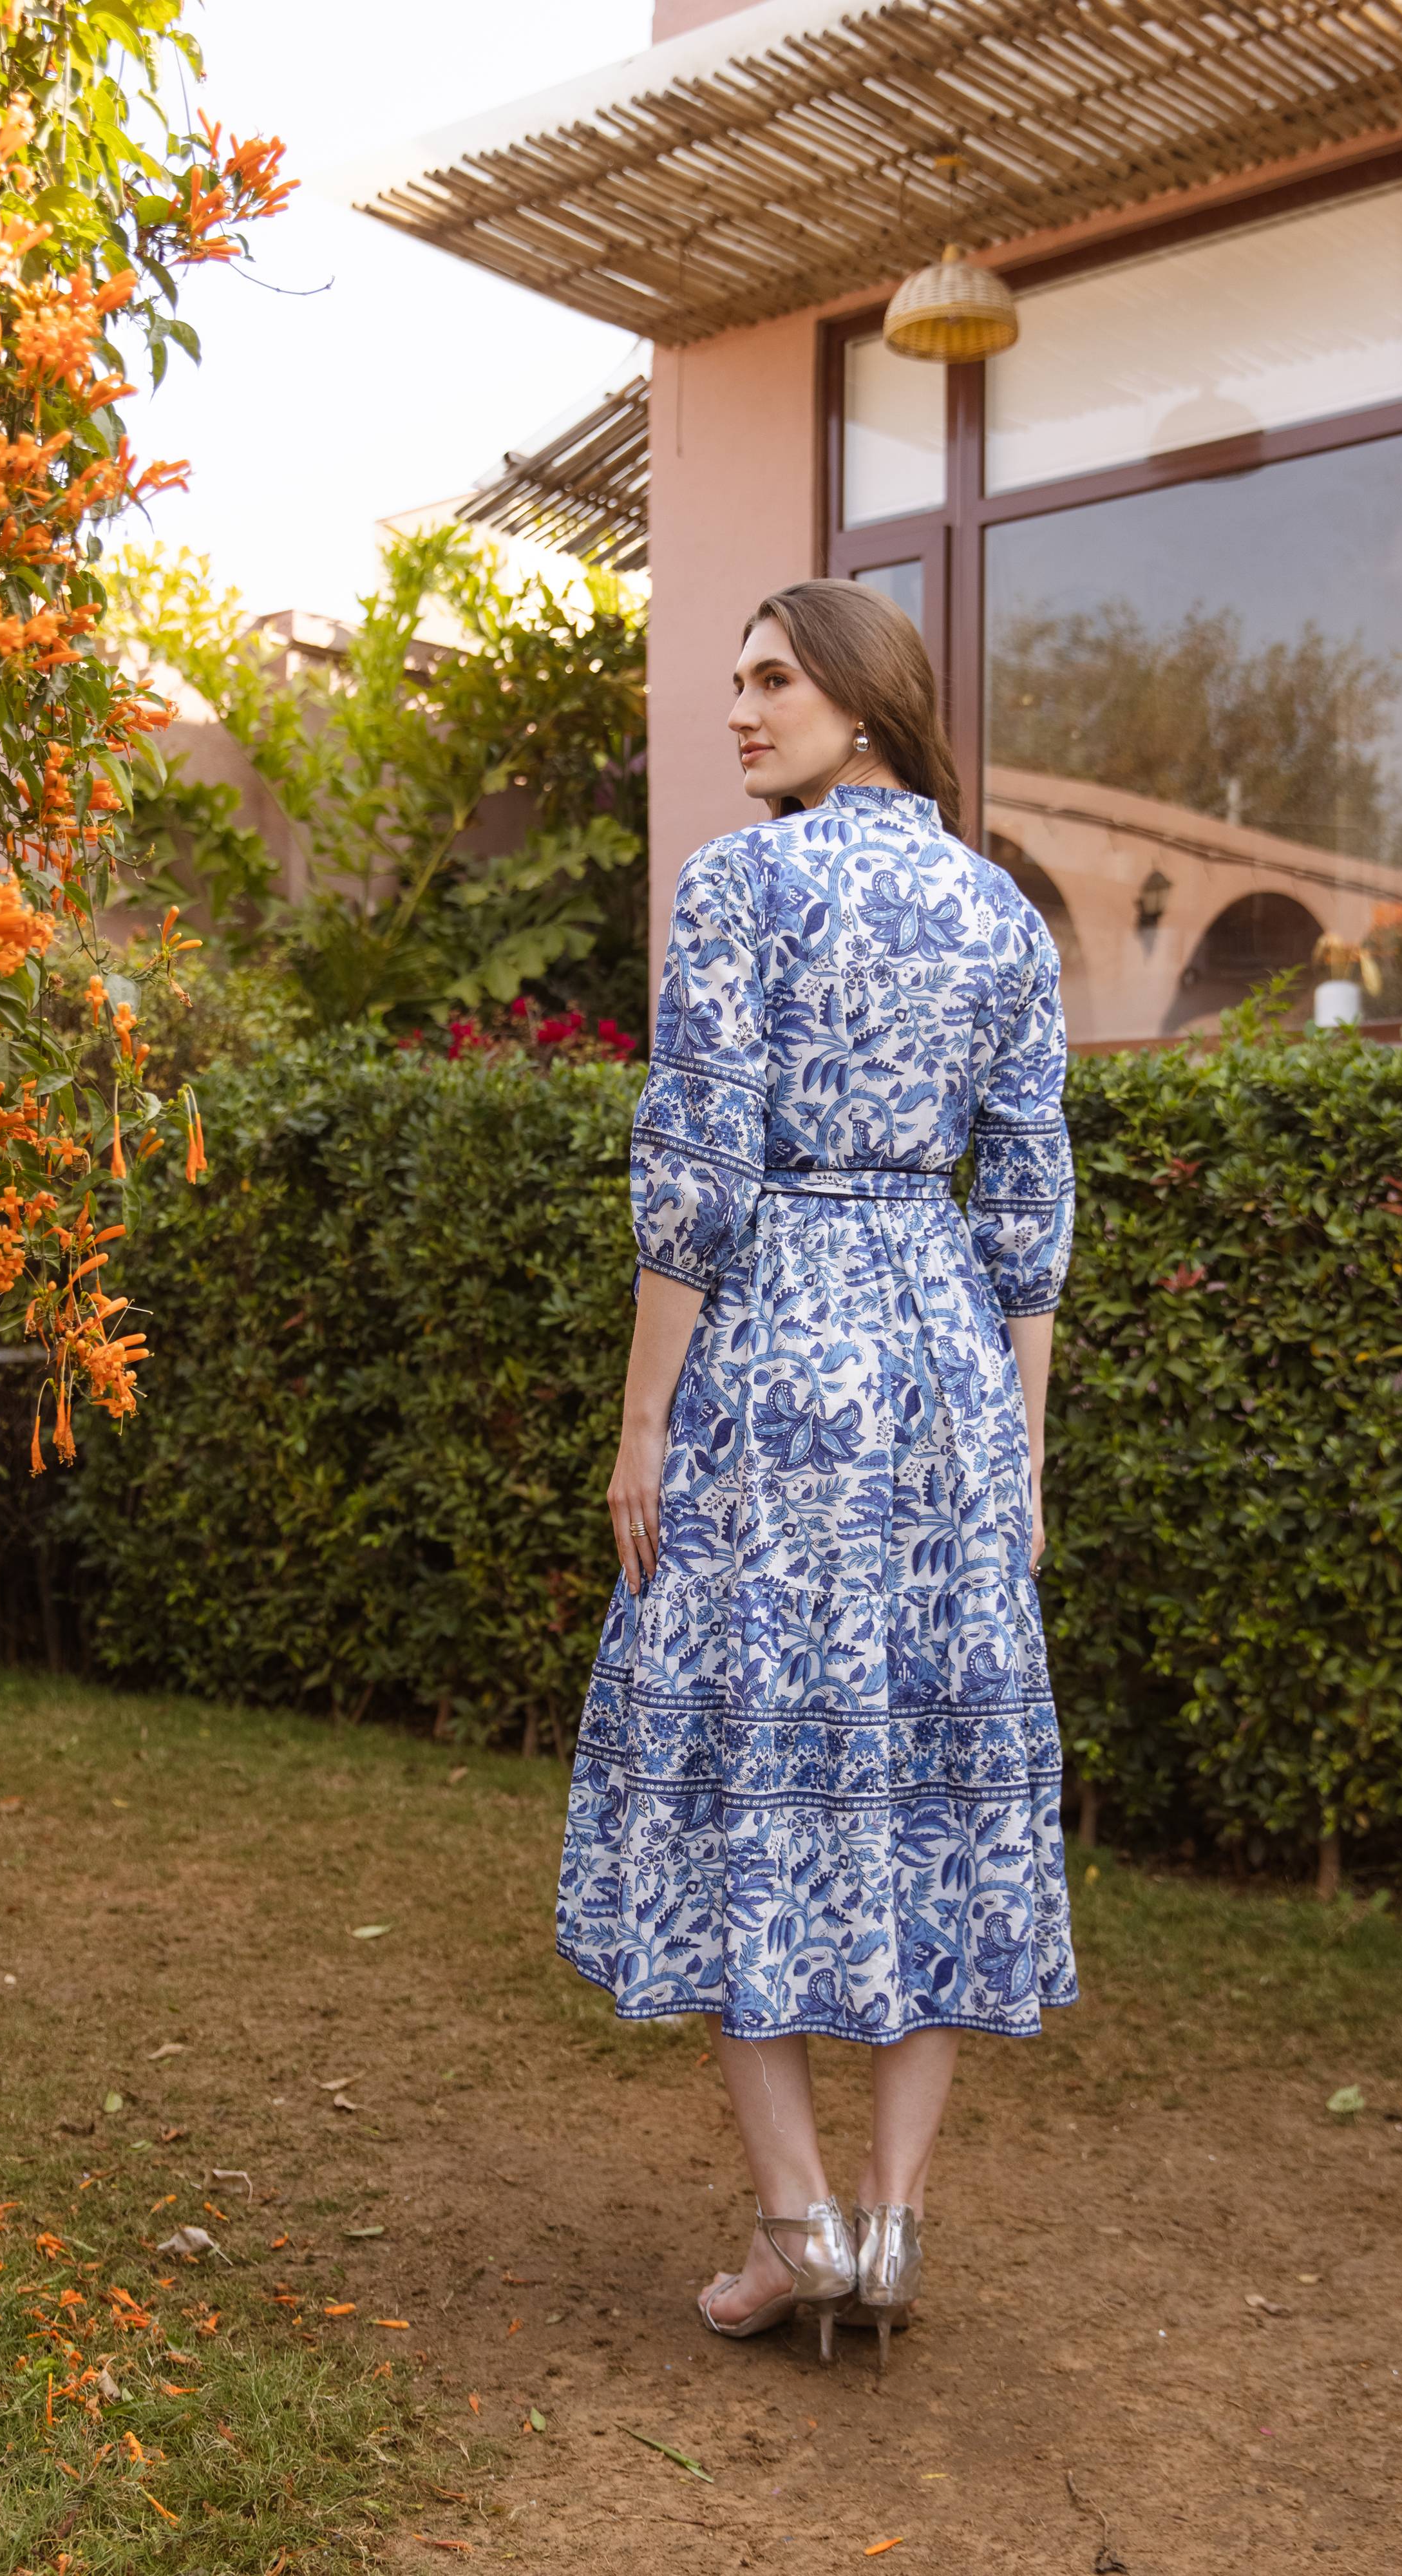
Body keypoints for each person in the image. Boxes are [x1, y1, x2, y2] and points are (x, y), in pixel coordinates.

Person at [555, 578, 1076, 2371]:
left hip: (773, 1356)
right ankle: (896, 2223)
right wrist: (1018, 1453)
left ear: (863, 702)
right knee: (934, 1761)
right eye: (734, 680)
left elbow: (693, 1172)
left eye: (771, 679)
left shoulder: (742, 885)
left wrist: (639, 1420)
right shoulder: (1001, 915)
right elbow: (1028, 1209)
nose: (738, 709)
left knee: (742, 1761)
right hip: (935, 1359)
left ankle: (798, 2228)